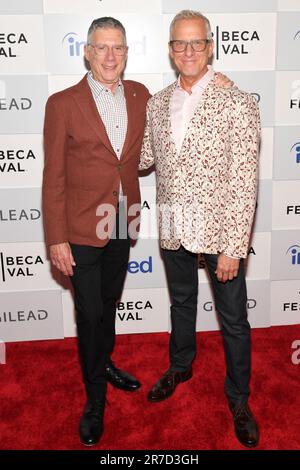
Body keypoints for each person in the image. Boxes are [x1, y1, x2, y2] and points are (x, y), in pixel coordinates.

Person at [43, 16, 232, 447]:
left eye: (119, 48)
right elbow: (52, 176)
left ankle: (103, 362)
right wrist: (55, 237)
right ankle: (94, 400)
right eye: (102, 47)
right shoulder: (62, 103)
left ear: (127, 53)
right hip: (78, 230)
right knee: (89, 314)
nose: (111, 56)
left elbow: (180, 112)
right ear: (87, 52)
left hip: (122, 223)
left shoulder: (141, 95)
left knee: (108, 305)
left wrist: (219, 82)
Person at [139, 10, 261, 448]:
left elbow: (245, 181)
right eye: (179, 43)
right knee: (181, 303)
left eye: (196, 43)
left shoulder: (238, 102)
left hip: (219, 230)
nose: (188, 51)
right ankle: (181, 365)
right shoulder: (155, 102)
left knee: (233, 320)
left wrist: (234, 246)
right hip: (173, 222)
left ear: (210, 47)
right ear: (170, 50)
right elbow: (143, 160)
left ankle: (239, 399)